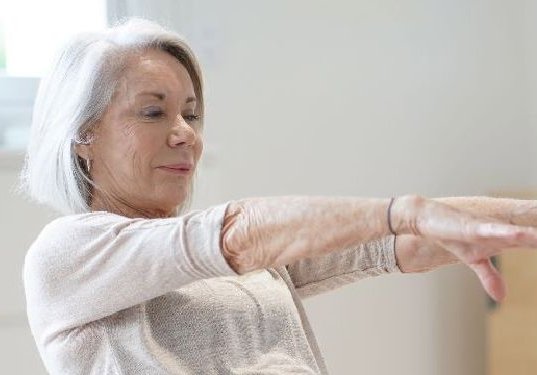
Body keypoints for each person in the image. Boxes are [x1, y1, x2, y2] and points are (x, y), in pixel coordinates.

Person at [19, 18, 537, 375]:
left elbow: (397, 244)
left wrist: (523, 219)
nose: (184, 134)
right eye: (153, 112)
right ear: (83, 134)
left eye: (191, 114)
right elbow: (239, 233)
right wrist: (405, 209)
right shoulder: (70, 253)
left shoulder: (237, 256)